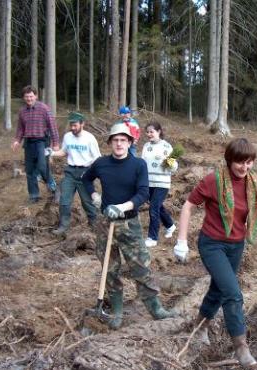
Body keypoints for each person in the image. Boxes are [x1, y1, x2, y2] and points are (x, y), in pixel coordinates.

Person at [173, 138, 257, 367]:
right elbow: (188, 205)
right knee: (233, 293)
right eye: (239, 162)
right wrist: (181, 240)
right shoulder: (214, 180)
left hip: (236, 245)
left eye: (249, 162)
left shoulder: (254, 184)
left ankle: (200, 326)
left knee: (219, 290)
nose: (244, 167)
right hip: (212, 244)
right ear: (229, 160)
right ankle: (241, 347)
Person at [81, 123, 176, 330]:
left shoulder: (138, 164)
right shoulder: (101, 163)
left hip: (129, 223)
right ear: (110, 143)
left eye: (123, 140)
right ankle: (116, 311)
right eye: (115, 140)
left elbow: (143, 193)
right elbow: (85, 180)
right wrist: (95, 195)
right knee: (110, 269)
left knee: (141, 267)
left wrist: (123, 207)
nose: (119, 143)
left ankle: (155, 308)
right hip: (106, 225)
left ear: (130, 142)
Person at [49, 112, 101, 236]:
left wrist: (90, 171)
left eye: (75, 125)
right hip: (70, 172)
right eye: (71, 125)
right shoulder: (67, 136)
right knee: (64, 201)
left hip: (85, 173)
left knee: (87, 202)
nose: (73, 128)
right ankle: (63, 227)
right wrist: (51, 153)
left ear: (82, 124)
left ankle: (95, 225)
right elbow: (63, 152)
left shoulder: (89, 138)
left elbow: (97, 157)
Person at [12, 85, 60, 203]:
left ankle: (54, 189)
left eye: (31, 96)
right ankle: (34, 195)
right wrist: (17, 140)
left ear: (36, 96)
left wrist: (56, 143)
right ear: (24, 98)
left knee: (43, 167)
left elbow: (52, 126)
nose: (29, 99)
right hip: (28, 142)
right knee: (30, 170)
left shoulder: (44, 108)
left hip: (42, 142)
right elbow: (20, 129)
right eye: (27, 97)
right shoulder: (22, 111)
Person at [141, 121, 178, 247]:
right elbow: (143, 164)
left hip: (162, 183)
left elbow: (174, 167)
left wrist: (170, 163)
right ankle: (170, 225)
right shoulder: (146, 146)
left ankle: (152, 238)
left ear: (159, 132)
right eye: (147, 132)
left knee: (153, 208)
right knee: (157, 206)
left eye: (152, 131)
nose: (149, 134)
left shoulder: (167, 147)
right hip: (149, 182)